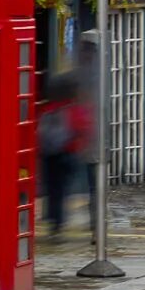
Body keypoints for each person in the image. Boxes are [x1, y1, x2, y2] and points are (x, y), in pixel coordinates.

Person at [38, 71, 95, 236]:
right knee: (63, 189)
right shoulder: (75, 109)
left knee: (53, 188)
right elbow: (84, 129)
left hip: (50, 154)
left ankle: (54, 221)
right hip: (68, 153)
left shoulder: (48, 109)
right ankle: (59, 221)